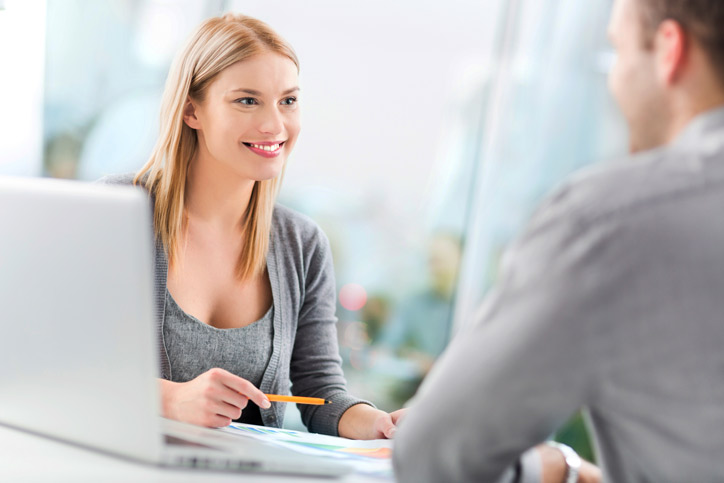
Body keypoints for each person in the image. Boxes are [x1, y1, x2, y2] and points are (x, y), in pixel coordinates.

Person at [394, 0, 724, 481]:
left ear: (670, 50)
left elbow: (433, 456)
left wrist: (550, 471)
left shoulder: (610, 221)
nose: (614, 82)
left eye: (618, 51)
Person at [101, 13, 403, 439]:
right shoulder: (115, 212)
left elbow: (322, 393)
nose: (274, 125)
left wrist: (381, 424)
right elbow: (53, 361)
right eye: (247, 100)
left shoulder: (303, 244)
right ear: (192, 111)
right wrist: (169, 400)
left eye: (288, 101)